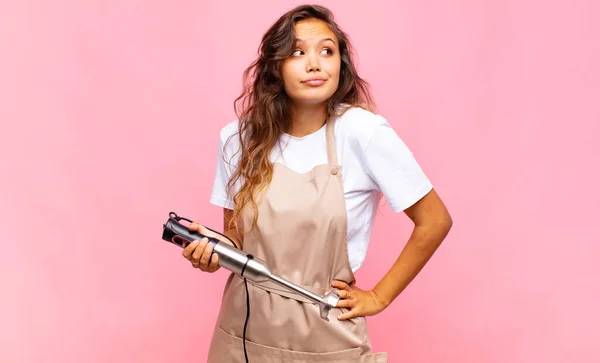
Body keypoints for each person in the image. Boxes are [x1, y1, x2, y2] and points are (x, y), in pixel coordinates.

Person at [182, 4, 452, 362]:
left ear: (341, 63)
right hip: (242, 335)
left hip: (327, 334)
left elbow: (435, 220)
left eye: (327, 51)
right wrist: (213, 253)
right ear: (275, 66)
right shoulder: (238, 138)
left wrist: (379, 297)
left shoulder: (362, 132)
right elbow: (236, 238)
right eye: (297, 52)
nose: (315, 64)